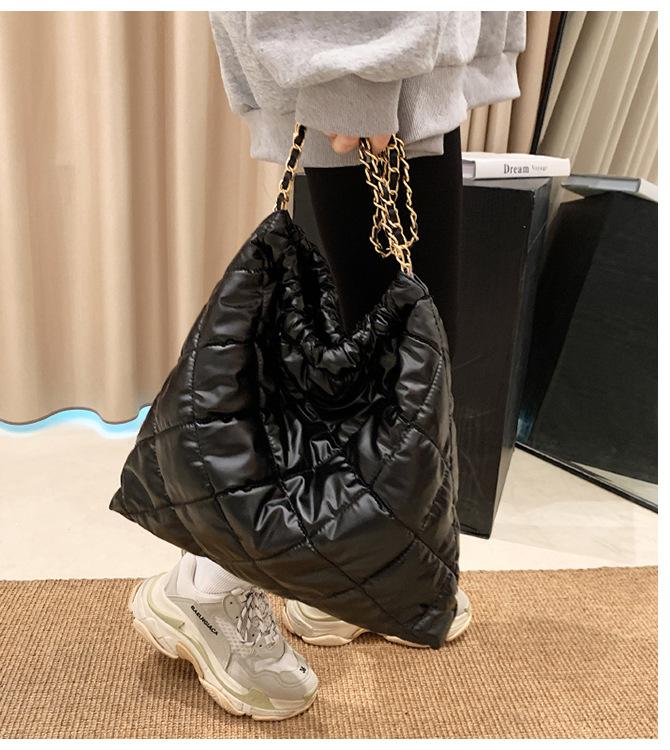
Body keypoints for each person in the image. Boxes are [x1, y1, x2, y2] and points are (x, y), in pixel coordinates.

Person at [129, 11, 526, 721]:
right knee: (387, 371)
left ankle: (339, 579)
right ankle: (207, 586)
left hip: (405, 69)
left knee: (402, 364)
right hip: (371, 62)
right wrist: (356, 87)